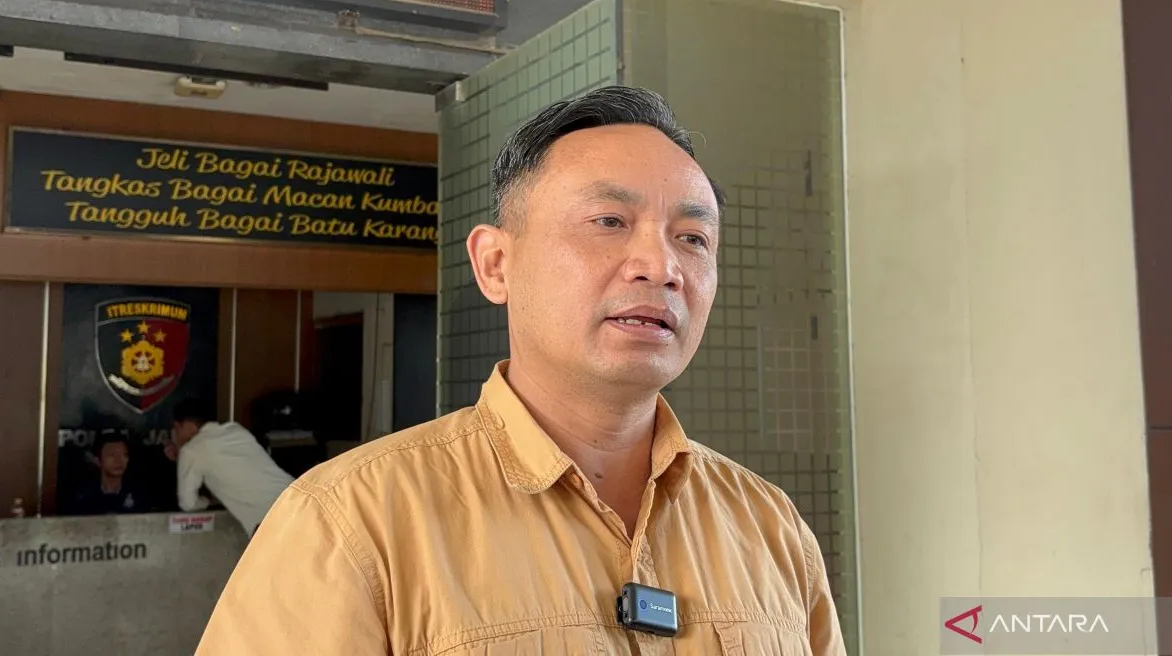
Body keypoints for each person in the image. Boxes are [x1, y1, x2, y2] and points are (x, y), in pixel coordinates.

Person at [196, 86, 846, 654]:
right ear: (496, 264)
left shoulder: (771, 528)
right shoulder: (350, 523)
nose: (661, 266)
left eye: (692, 238)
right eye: (609, 221)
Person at [164, 397, 293, 538]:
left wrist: (208, 501)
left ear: (189, 424)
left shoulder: (190, 451)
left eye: (177, 428)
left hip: (275, 521)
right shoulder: (235, 430)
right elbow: (227, 465)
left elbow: (188, 504)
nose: (176, 434)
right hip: (299, 498)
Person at [71, 431, 150, 515]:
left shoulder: (139, 496)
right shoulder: (84, 499)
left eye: (124, 455)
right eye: (112, 455)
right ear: (98, 461)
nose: (119, 461)